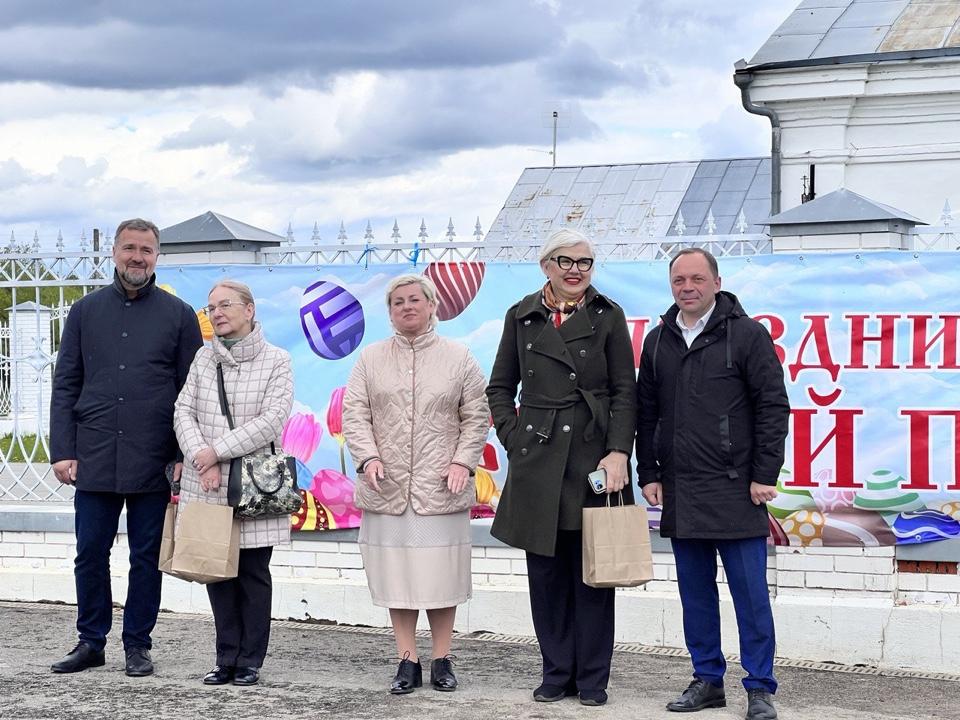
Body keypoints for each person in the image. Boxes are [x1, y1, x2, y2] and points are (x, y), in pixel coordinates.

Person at [635, 248, 789, 720]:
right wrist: (649, 472)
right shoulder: (658, 341)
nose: (688, 287)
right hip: (682, 490)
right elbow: (647, 413)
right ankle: (707, 680)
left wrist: (764, 474)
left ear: (717, 283)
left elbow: (772, 407)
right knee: (696, 597)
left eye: (697, 279)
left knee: (751, 599)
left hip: (737, 489)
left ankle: (760, 688)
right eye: (679, 280)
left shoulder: (748, 335)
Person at [486, 228, 636, 707]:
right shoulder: (522, 315)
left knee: (594, 573)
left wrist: (618, 451)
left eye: (584, 262)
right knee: (546, 576)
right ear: (546, 265)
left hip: (593, 457)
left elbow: (624, 391)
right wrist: (514, 438)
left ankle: (592, 679)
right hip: (538, 457)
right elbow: (499, 387)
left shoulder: (608, 315)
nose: (576, 270)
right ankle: (555, 673)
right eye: (566, 261)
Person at [49, 218, 203, 676]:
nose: (138, 257)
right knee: (89, 554)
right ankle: (90, 641)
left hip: (154, 457)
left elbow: (191, 391)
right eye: (130, 248)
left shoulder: (179, 316)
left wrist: (181, 454)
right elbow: (66, 383)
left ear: (157, 257)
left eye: (146, 250)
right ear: (114, 252)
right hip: (93, 454)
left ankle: (138, 644)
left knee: (146, 558)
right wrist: (63, 449)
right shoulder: (85, 311)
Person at [343, 274, 488, 695]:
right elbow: (355, 414)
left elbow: (476, 416)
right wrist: (368, 457)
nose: (406, 307)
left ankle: (442, 659)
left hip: (441, 487)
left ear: (432, 306)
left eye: (414, 300)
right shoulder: (370, 359)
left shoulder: (459, 357)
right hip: (387, 487)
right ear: (390, 312)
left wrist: (462, 461)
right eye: (398, 302)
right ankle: (407, 660)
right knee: (398, 579)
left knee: (441, 578)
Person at [173, 280, 294, 687]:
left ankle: (250, 660)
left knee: (253, 574)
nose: (217, 313)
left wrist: (215, 453)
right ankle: (225, 657)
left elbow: (272, 420)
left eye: (225, 305)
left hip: (254, 482)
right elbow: (183, 411)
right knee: (217, 571)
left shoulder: (277, 360)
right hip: (206, 481)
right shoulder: (203, 358)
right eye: (211, 308)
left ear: (249, 309)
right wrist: (199, 456)